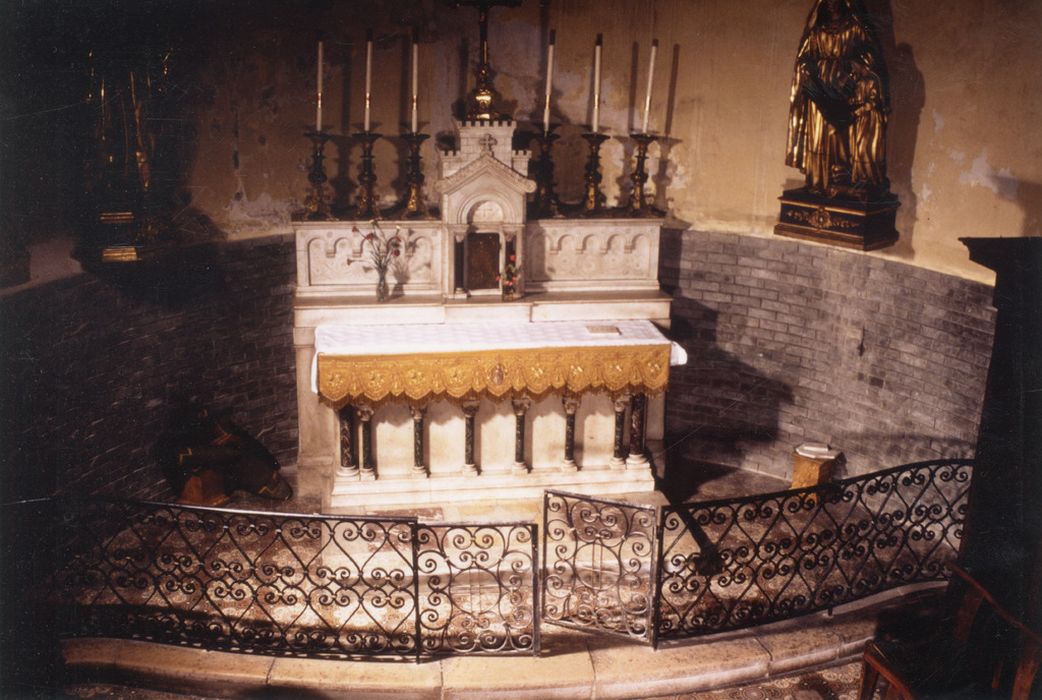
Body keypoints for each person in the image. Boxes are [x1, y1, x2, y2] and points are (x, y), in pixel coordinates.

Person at [784, 0, 890, 198]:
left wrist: (853, 66)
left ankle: (840, 179)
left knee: (840, 134)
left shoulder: (855, 28)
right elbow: (804, 57)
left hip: (845, 87)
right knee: (819, 135)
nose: (831, 4)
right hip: (819, 89)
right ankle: (819, 181)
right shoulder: (817, 31)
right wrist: (810, 71)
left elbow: (870, 55)